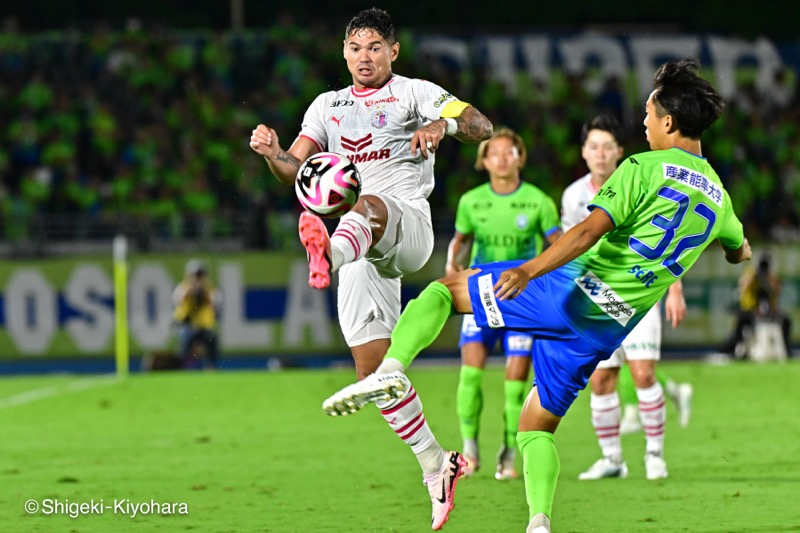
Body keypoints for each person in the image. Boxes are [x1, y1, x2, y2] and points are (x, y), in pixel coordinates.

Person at [321, 59, 751, 532]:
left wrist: (529, 269)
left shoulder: (643, 168)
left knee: (446, 291)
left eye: (649, 115)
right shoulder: (720, 199)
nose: (645, 124)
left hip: (568, 292)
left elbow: (587, 231)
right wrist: (727, 248)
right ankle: (539, 524)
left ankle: (392, 370)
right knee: (535, 427)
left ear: (669, 121)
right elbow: (740, 250)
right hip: (604, 329)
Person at [248, 8, 492, 530]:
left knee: (370, 203)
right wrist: (273, 154)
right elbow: (299, 171)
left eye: (376, 46)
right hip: (359, 245)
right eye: (356, 47)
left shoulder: (416, 92)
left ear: (393, 51)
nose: (365, 56)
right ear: (344, 51)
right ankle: (436, 464)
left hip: (405, 225)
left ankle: (326, 256)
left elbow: (481, 125)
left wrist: (442, 125)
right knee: (373, 373)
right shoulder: (327, 107)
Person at [561, 113, 693, 480]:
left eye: (607, 147)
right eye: (593, 147)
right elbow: (571, 246)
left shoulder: (640, 182)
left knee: (643, 374)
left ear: (619, 151)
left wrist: (674, 289)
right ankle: (612, 459)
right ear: (584, 152)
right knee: (602, 380)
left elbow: (665, 241)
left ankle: (654, 455)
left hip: (638, 293)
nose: (601, 154)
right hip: (593, 296)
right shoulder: (573, 196)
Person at [446, 127, 562, 480]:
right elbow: (460, 240)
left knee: (515, 384)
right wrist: (452, 267)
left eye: (508, 151)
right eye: (493, 152)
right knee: (470, 374)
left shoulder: (538, 201)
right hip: (480, 297)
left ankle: (509, 454)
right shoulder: (471, 201)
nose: (501, 157)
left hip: (521, 300)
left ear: (519, 157)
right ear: (483, 161)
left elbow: (557, 243)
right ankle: (470, 449)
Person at [721, 251, 792, 358]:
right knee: (741, 322)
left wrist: (768, 281)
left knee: (786, 321)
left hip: (768, 311)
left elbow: (775, 293)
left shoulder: (771, 277)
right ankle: (734, 349)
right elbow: (743, 290)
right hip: (750, 310)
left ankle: (785, 348)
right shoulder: (751, 275)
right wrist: (754, 277)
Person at [172, 259, 220, 368]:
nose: (198, 278)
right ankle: (183, 367)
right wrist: (191, 290)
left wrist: (204, 292)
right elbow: (178, 301)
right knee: (185, 340)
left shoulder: (209, 289)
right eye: (195, 275)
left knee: (212, 339)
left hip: (204, 326)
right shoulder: (182, 288)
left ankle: (210, 367)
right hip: (187, 325)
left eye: (200, 275)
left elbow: (215, 305)